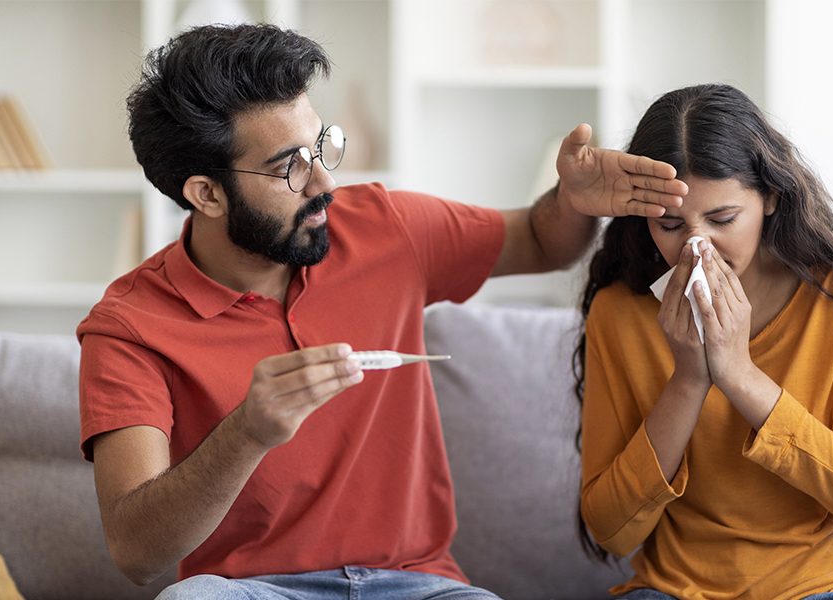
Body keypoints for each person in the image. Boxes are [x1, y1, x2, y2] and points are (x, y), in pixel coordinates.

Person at [77, 23, 688, 600]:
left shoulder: (383, 227)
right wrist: (245, 434)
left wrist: (574, 201)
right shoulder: (130, 326)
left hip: (418, 584)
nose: (322, 184)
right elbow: (136, 553)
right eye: (287, 166)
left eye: (319, 147)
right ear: (205, 193)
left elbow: (541, 238)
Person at [574, 84, 833, 600]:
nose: (695, 246)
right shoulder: (619, 313)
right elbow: (612, 530)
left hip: (830, 583)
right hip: (681, 588)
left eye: (722, 219)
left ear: (771, 197)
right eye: (670, 224)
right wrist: (689, 380)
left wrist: (737, 373)